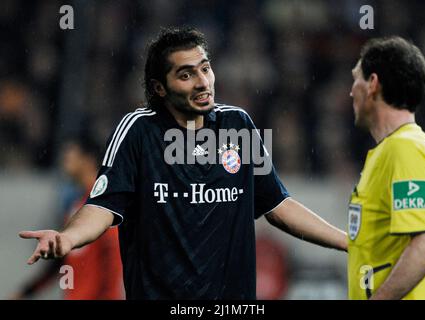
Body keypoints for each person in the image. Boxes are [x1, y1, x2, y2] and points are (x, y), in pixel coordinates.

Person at [20, 27, 347, 300]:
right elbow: (103, 207)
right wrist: (69, 237)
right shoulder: (138, 132)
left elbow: (277, 205)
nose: (203, 82)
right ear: (160, 88)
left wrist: (347, 241)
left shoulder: (237, 125)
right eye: (186, 74)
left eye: (205, 68)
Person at [348, 36, 425, 300]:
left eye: (356, 79)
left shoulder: (405, 148)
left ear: (372, 84)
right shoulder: (389, 151)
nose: (352, 91)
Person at [15, 138, 124, 299]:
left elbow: (113, 260)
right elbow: (61, 261)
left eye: (70, 154)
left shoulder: (104, 207)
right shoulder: (76, 207)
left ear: (88, 160)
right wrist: (27, 291)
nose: (65, 159)